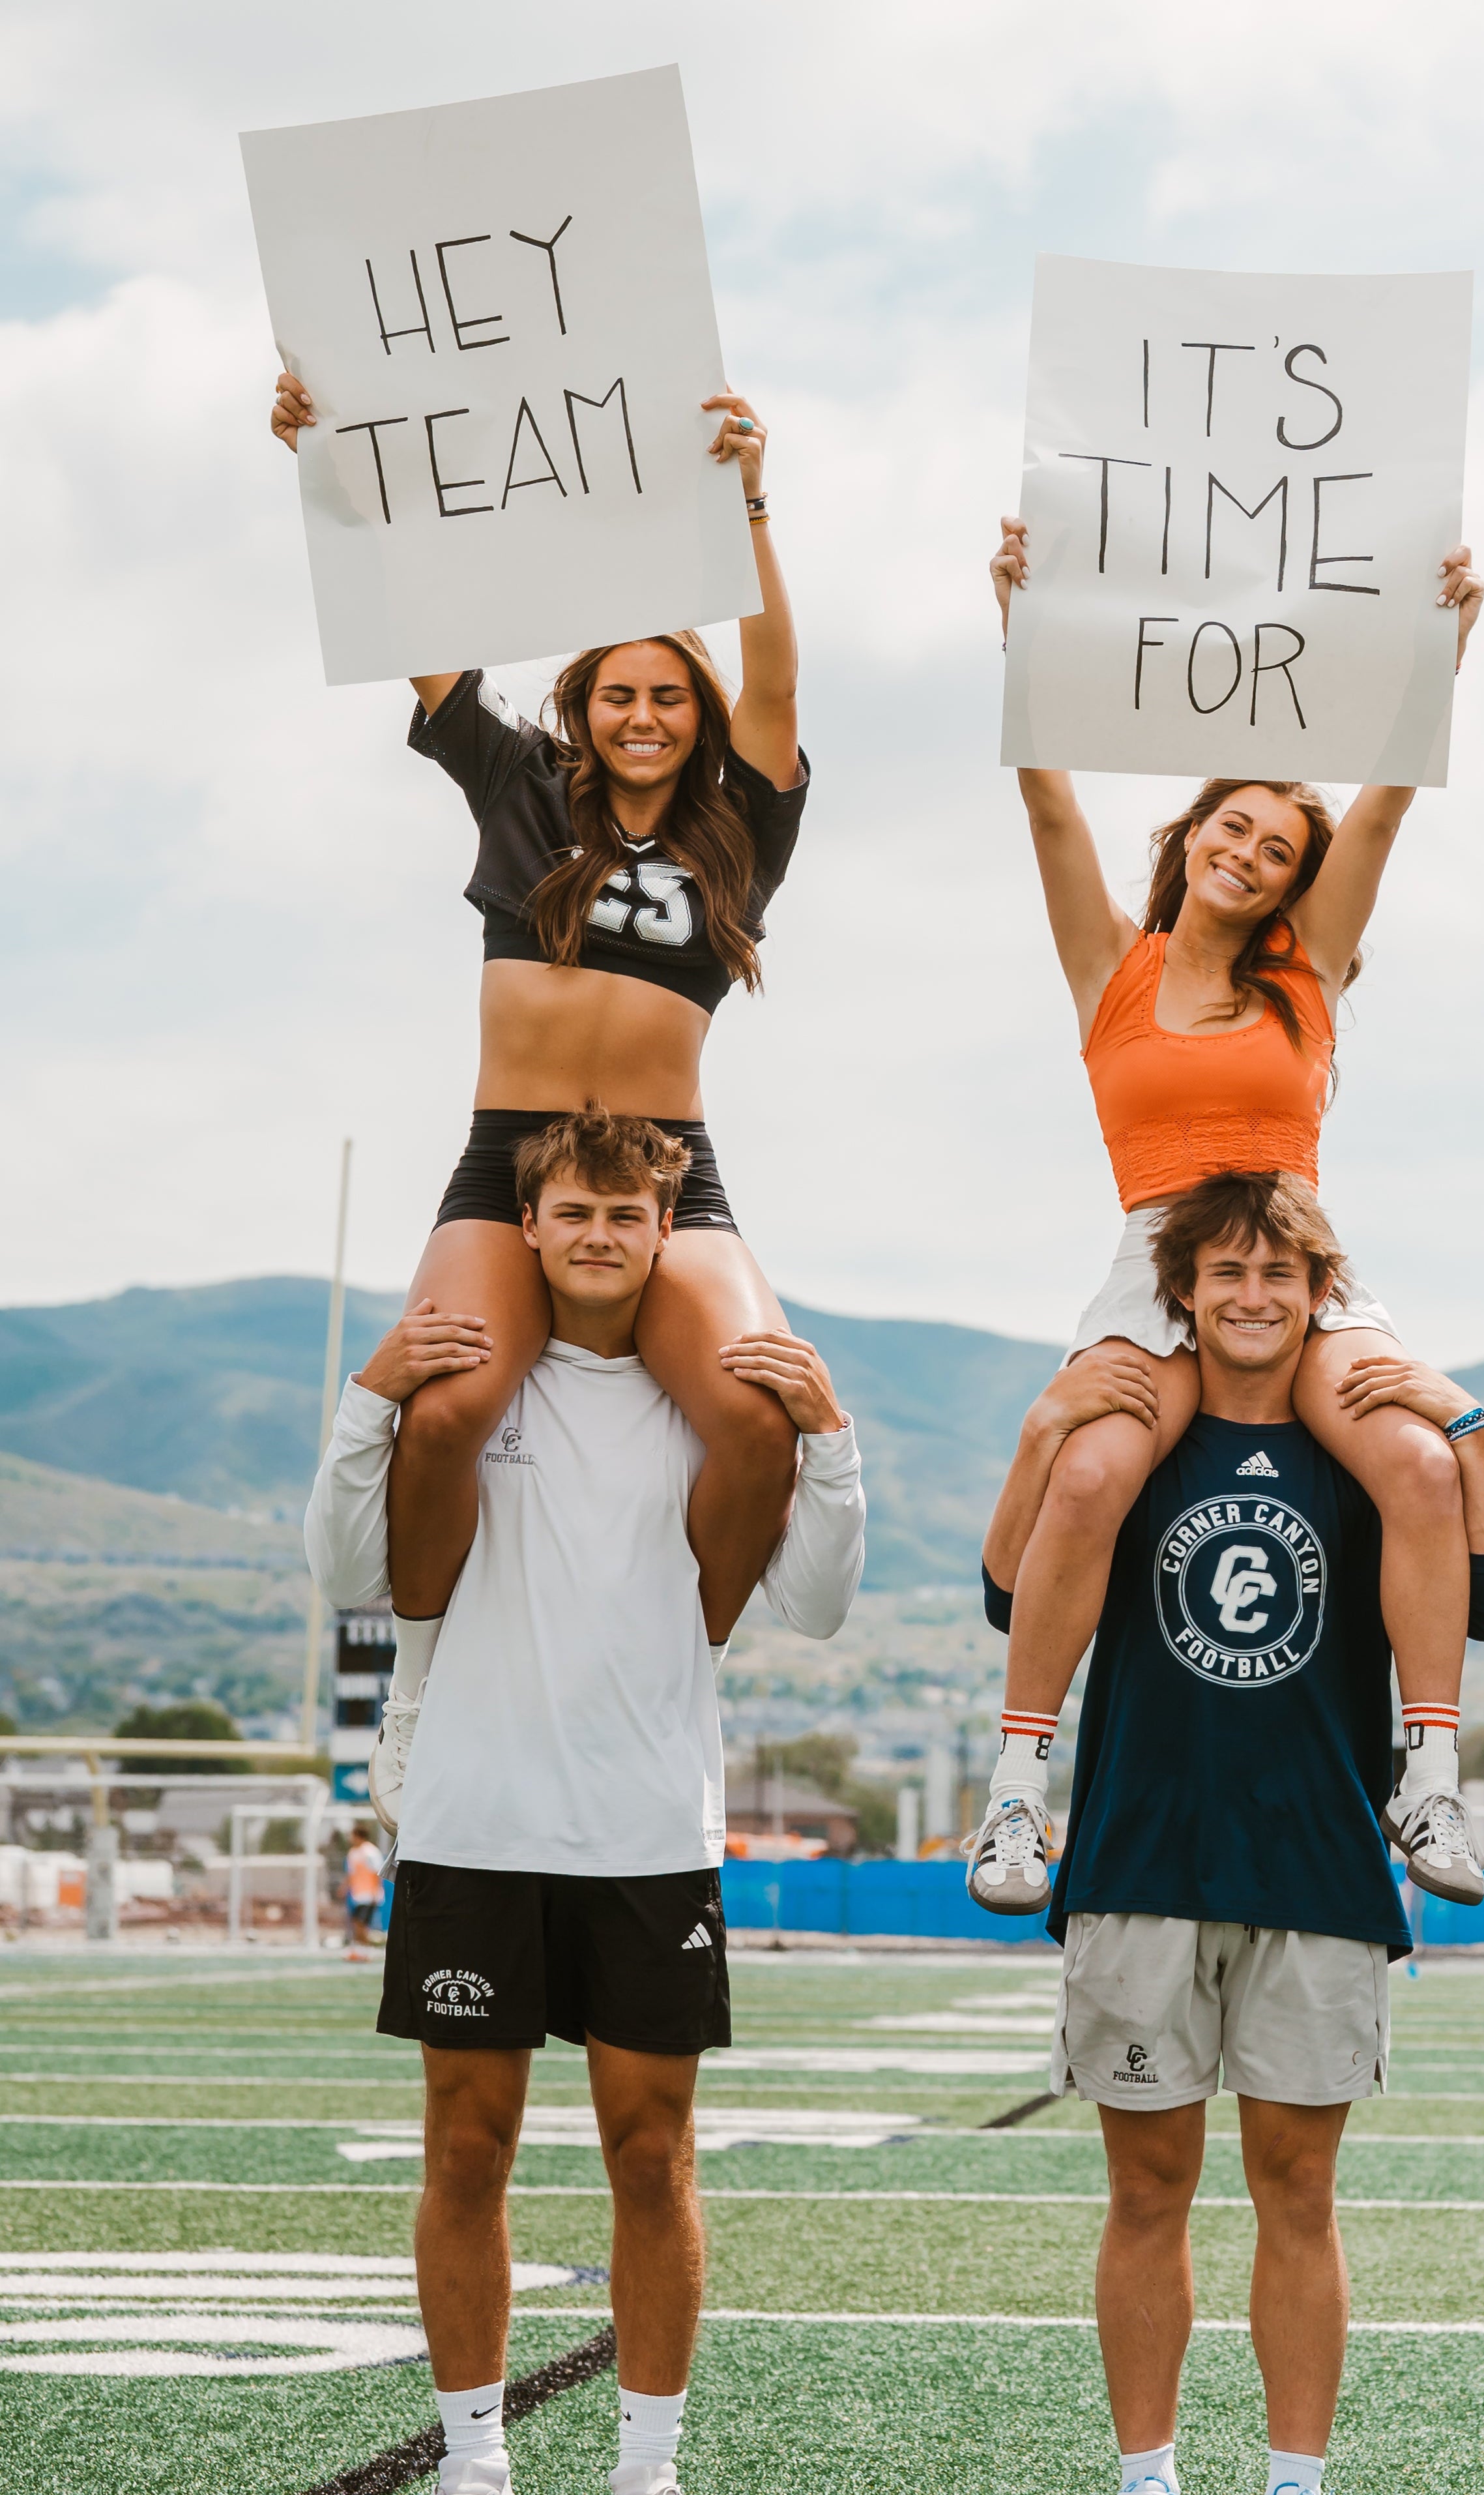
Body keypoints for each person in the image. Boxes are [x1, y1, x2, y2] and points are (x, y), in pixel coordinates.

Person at [305, 1106, 866, 2495]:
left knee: (651, 2153)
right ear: (532, 1225)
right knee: (464, 2146)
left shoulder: (709, 1413)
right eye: (574, 1212)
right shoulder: (467, 1385)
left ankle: (648, 2465)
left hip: (644, 1832)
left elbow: (818, 1602)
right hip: (474, 1822)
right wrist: (370, 1393)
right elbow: (339, 1570)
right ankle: (476, 2454)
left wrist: (832, 1439)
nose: (600, 1236)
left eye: (627, 1215)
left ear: (666, 1234)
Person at [967, 520, 1484, 1912]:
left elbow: (1380, 810)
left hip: (1293, 1256)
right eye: (1233, 826)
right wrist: (1020, 621)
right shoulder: (1113, 973)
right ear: (1190, 833)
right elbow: (1044, 809)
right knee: (1085, 1476)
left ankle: (1428, 1771)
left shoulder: (1303, 971)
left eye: (1277, 845)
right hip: (1157, 1260)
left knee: (1420, 1463)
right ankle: (1022, 1789)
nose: (1252, 852)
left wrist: (1440, 649)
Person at [269, 368, 811, 1719]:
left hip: (666, 1171)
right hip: (508, 1156)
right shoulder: (520, 785)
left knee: (755, 1417)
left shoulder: (744, 826)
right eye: (619, 695)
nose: (644, 717)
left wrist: (748, 502)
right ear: (586, 701)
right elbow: (406, 607)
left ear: (698, 715)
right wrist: (324, 457)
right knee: (445, 1407)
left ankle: (684, 1665)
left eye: (669, 699)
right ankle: (420, 1683)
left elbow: (779, 679)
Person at [982, 1170, 1484, 2495]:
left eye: (1276, 1273)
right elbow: (1010, 1592)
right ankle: (1147, 2473)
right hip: (1138, 1852)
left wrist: (1463, 1420)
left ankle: (1294, 2477)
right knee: (1147, 2185)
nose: (1250, 1294)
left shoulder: (1361, 1452)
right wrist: (1044, 1421)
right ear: (1180, 1292)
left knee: (1298, 2189)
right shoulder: (1135, 1442)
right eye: (1223, 1273)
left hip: (1318, 1862)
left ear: (1317, 1292)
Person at [343, 1825, 386, 1962]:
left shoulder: (371, 1852)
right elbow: (351, 1874)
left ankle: (366, 1952)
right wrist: (344, 1888)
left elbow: (376, 1874)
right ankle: (360, 1951)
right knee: (357, 1923)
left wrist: (375, 1893)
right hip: (358, 1895)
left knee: (361, 1924)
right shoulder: (353, 1853)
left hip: (369, 1895)